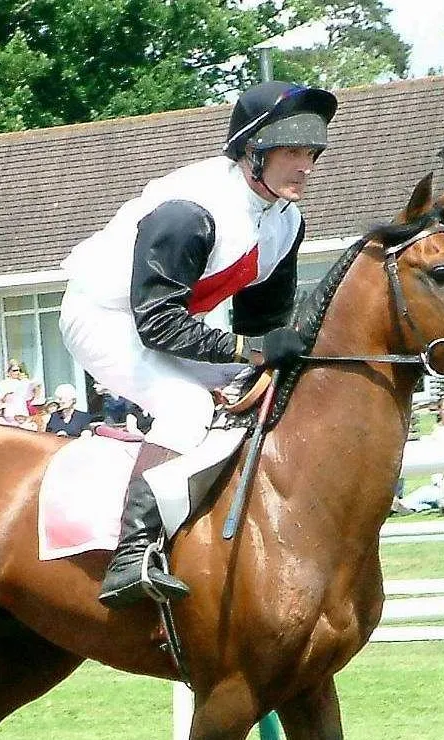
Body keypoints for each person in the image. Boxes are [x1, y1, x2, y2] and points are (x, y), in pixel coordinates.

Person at [59, 80, 337, 607]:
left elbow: (263, 321)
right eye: (292, 153)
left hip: (164, 323)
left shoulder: (286, 221)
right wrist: (249, 349)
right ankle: (132, 552)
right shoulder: (190, 211)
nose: (306, 166)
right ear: (253, 153)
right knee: (187, 407)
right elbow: (158, 326)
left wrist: (265, 357)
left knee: (265, 391)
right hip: (105, 319)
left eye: (312, 153)